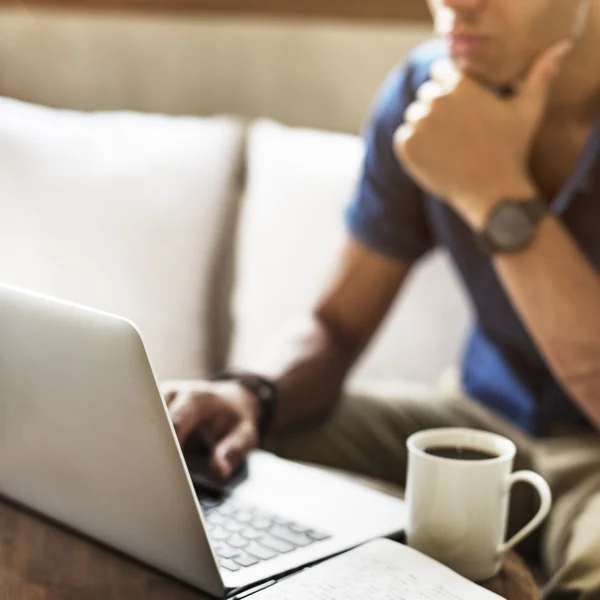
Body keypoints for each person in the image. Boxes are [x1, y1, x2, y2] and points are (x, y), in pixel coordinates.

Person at [162, 1, 600, 597]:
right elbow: (336, 327)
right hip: (475, 415)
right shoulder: (425, 92)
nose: (457, 5)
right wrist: (251, 391)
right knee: (207, 451)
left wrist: (495, 192)